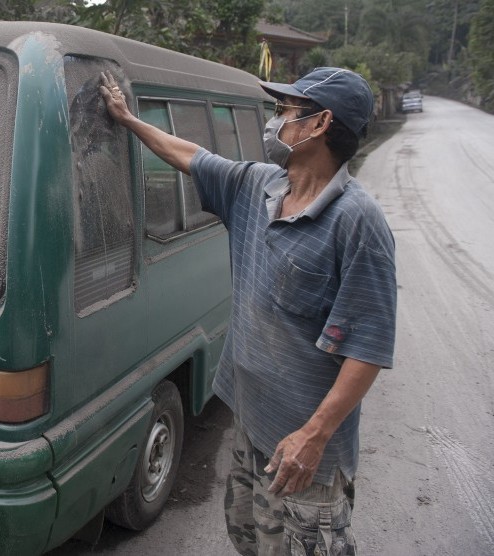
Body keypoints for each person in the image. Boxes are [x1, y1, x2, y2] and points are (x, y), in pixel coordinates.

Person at [99, 67, 396, 555]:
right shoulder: (258, 187)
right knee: (249, 538)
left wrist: (313, 436)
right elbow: (191, 156)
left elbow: (367, 349)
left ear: (320, 124)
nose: (274, 120)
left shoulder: (357, 222)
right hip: (251, 424)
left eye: (284, 111)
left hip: (305, 455)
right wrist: (128, 120)